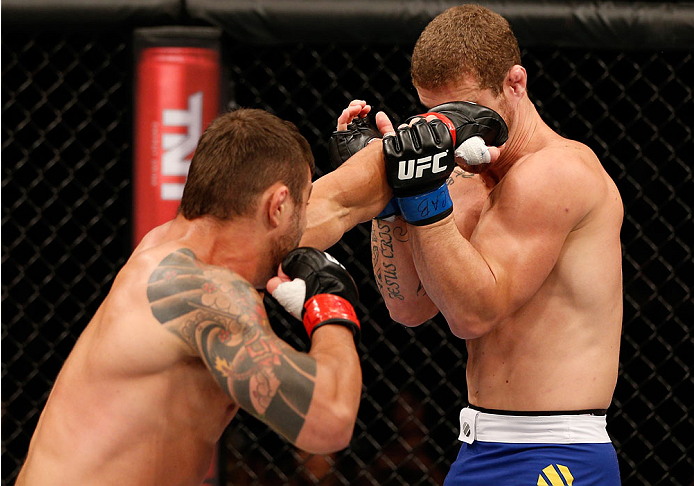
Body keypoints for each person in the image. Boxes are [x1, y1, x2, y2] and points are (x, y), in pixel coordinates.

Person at [302, 4, 624, 485]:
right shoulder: (462, 177)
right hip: (480, 445)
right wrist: (391, 204)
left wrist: (421, 192)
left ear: (515, 83)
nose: (454, 124)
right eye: (436, 112)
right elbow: (408, 306)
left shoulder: (557, 173)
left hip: (556, 455)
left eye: (469, 108)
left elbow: (474, 313)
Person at [16, 108, 364, 485]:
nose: (303, 220)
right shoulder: (200, 292)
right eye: (302, 201)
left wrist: (384, 156)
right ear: (277, 205)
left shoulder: (167, 248)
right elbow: (329, 420)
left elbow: (336, 205)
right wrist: (332, 304)